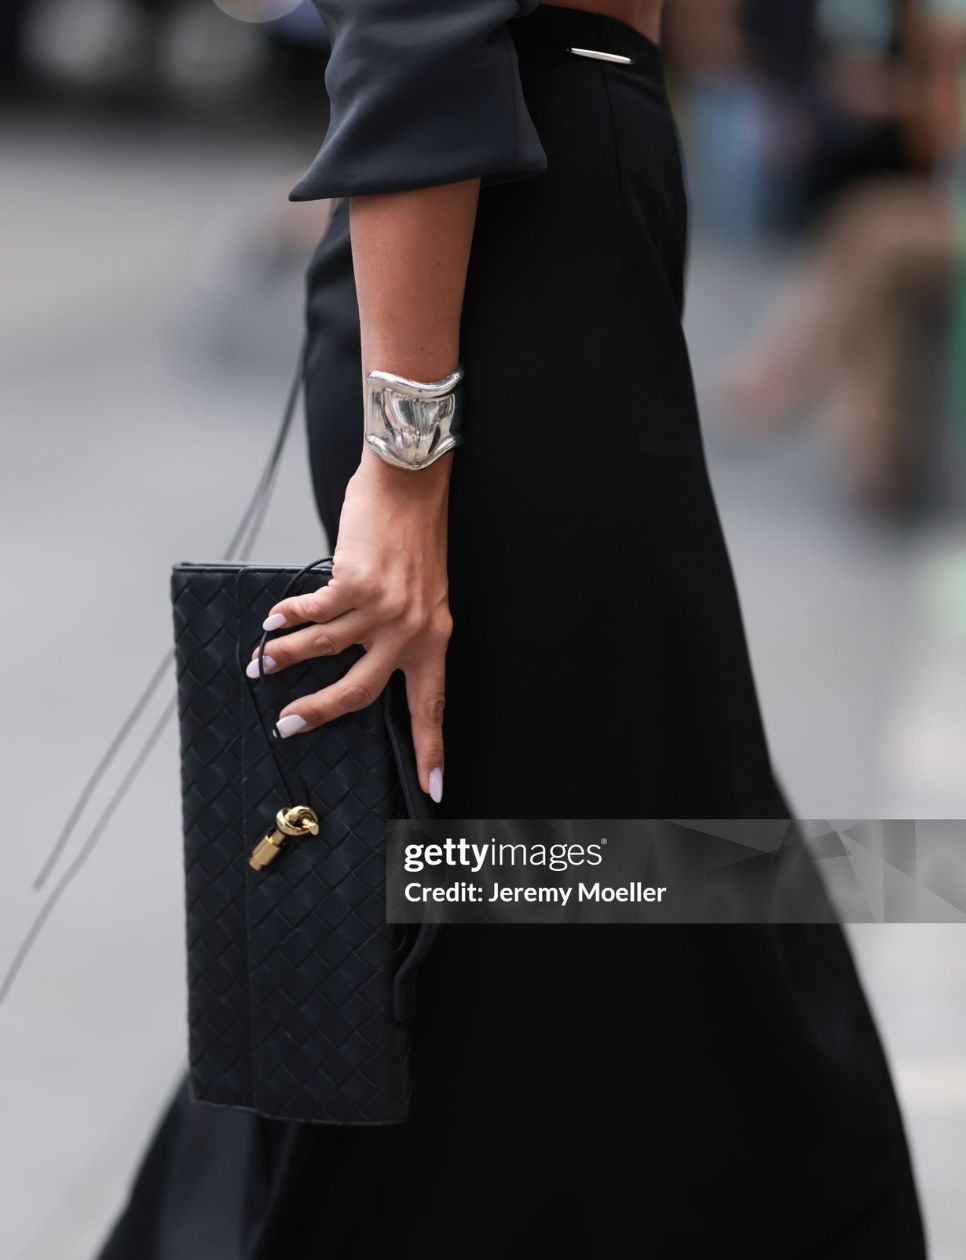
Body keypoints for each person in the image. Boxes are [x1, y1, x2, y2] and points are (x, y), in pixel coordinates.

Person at [97, 3, 926, 1256]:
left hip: (552, 215)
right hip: (494, 269)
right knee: (536, 877)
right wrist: (407, 459)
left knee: (559, 868)